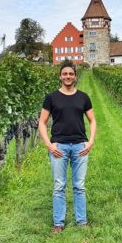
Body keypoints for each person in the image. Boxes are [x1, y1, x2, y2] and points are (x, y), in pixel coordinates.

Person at [38, 60, 96, 233]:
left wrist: (90, 141)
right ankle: (58, 223)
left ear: (75, 77)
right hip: (59, 147)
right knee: (59, 186)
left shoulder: (83, 97)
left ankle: (81, 220)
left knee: (79, 185)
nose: (68, 76)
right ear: (60, 76)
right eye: (65, 74)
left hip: (80, 146)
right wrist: (49, 144)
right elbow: (42, 122)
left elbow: (93, 121)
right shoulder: (51, 98)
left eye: (71, 74)